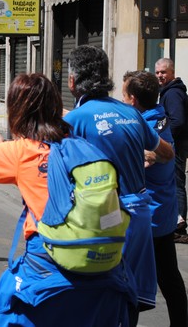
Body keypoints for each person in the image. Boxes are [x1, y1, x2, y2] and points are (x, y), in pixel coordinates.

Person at [0, 73, 137, 326]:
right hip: (104, 275)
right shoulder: (82, 147)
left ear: (17, 110)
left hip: (49, 270)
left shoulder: (19, 152)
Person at [64, 45, 174, 326]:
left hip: (105, 218)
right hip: (138, 217)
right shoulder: (130, 114)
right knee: (130, 295)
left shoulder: (74, 120)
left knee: (97, 295)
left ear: (73, 81)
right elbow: (167, 152)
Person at [122, 70, 188, 326]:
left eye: (125, 96)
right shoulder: (157, 118)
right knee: (168, 277)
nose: (123, 101)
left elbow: (151, 157)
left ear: (135, 100)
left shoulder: (146, 126)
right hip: (160, 212)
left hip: (149, 216)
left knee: (132, 279)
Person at [154, 58, 188, 240]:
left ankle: (179, 226)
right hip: (175, 144)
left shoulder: (173, 93)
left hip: (175, 144)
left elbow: (178, 121)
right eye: (157, 72)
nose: (160, 75)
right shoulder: (168, 91)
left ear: (172, 72)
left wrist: (162, 136)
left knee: (177, 182)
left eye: (163, 72)